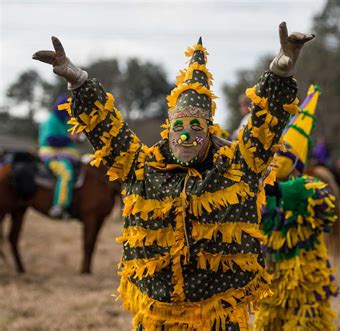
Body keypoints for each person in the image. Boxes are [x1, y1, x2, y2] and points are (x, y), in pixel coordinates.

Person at [33, 23, 314, 330]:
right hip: (157, 315)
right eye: (179, 128)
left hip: (219, 315)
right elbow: (106, 128)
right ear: (168, 131)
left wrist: (280, 72)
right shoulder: (141, 167)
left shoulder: (239, 166)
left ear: (209, 132)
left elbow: (265, 125)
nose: (186, 136)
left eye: (196, 127)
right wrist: (79, 82)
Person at [255, 84, 337, 330]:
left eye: (282, 157)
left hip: (306, 289)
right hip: (270, 285)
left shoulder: (310, 187)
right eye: (272, 156)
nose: (274, 162)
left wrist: (277, 190)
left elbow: (322, 205)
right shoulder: (259, 193)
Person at [38, 95, 80, 218]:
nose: (69, 113)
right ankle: (59, 206)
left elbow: (74, 138)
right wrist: (70, 138)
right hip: (51, 155)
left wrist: (78, 137)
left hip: (69, 156)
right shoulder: (51, 120)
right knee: (66, 172)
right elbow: (51, 140)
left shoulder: (66, 121)